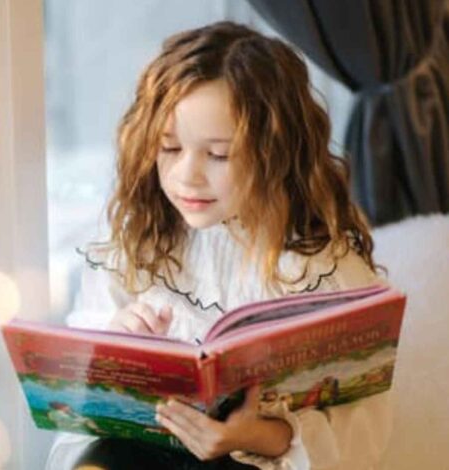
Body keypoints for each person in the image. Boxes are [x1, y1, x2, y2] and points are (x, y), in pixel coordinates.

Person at [44, 21, 393, 470]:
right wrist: (115, 348)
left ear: (275, 152)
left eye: (219, 154)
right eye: (169, 148)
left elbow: (361, 436)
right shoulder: (136, 239)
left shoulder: (323, 268)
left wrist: (258, 436)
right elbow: (74, 416)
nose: (186, 175)